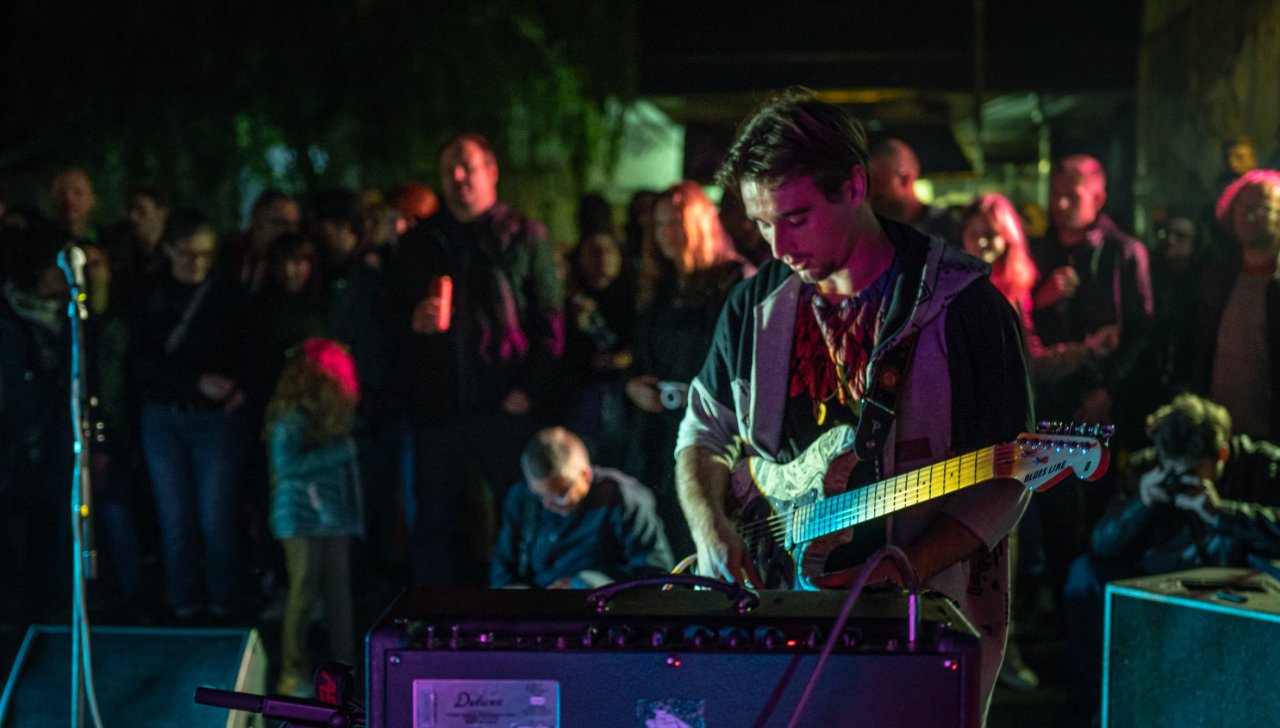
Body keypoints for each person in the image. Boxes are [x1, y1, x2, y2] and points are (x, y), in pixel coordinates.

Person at [676, 92, 1031, 718]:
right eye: (762, 223)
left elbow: (1010, 474)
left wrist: (908, 566)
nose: (777, 246)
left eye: (795, 218)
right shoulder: (752, 305)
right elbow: (702, 434)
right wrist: (711, 528)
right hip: (778, 618)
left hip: (919, 624)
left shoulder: (965, 305)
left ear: (855, 185)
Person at [385, 132, 563, 586]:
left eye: (468, 166)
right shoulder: (420, 242)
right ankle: (432, 620)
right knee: (432, 524)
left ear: (492, 171)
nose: (459, 176)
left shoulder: (524, 236)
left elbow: (549, 320)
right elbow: (388, 321)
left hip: (503, 405)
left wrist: (530, 389)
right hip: (438, 407)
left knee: (519, 517)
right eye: (450, 169)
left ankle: (524, 613)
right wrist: (412, 321)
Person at [1062, 393, 1280, 727]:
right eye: (1174, 472)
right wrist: (1142, 503)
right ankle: (1094, 707)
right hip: (1161, 575)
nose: (1183, 482)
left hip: (1237, 580)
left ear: (1222, 454)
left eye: (1194, 474)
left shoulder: (1263, 466)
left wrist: (1223, 514)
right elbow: (1101, 544)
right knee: (1083, 576)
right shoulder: (1146, 468)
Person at [132, 210, 250, 621]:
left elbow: (252, 350)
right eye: (186, 253)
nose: (195, 263)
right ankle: (186, 606)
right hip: (164, 418)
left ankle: (223, 604)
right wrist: (195, 381)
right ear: (168, 250)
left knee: (217, 520)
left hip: (214, 420)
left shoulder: (229, 295)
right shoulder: (150, 295)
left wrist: (240, 389)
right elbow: (140, 363)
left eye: (204, 254)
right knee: (175, 521)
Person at [626, 180, 751, 558]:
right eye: (658, 225)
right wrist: (632, 386)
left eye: (675, 223)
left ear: (698, 223)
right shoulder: (660, 286)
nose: (666, 234)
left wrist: (695, 394)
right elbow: (640, 359)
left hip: (713, 434)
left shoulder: (733, 281)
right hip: (658, 434)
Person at [265, 338, 363, 696]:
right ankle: (292, 672)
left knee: (338, 592)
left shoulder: (333, 420)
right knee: (304, 590)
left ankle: (344, 667)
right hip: (299, 517)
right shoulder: (291, 418)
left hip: (332, 516)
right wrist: (339, 452)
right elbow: (287, 466)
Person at [490, 427, 673, 588]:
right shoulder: (523, 498)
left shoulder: (624, 500)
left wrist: (589, 583)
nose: (548, 504)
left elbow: (656, 573)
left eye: (560, 495)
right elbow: (502, 565)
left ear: (585, 475)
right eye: (541, 496)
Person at [1193, 170, 1280, 441]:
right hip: (1218, 435)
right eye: (1243, 207)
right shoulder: (1218, 279)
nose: (1250, 216)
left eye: (1262, 207)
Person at [867, 138, 958, 245]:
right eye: (868, 182)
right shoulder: (866, 230)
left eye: (878, 181)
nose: (871, 190)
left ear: (904, 179)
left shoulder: (946, 226)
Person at [221, 189, 302, 293]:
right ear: (256, 221)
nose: (290, 231)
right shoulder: (232, 250)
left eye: (295, 225)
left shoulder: (292, 262)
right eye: (280, 223)